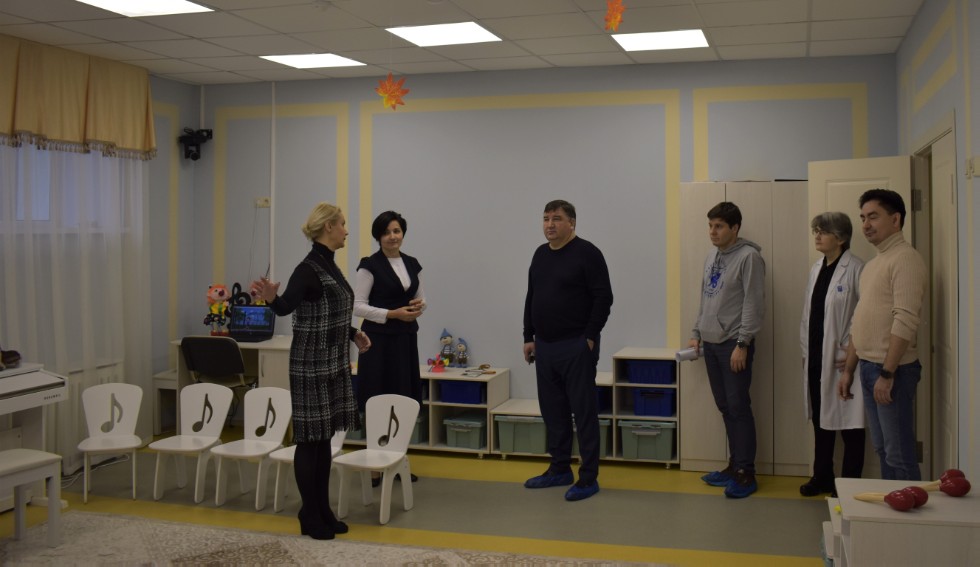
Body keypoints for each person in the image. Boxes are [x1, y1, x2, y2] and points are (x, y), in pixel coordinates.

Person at [251, 202, 371, 540]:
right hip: (310, 366)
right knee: (310, 441)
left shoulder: (329, 264)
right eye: (342, 224)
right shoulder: (307, 268)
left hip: (333, 362)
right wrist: (271, 298)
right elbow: (286, 306)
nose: (346, 230)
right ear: (328, 226)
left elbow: (331, 311)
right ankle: (309, 513)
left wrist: (353, 333)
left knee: (324, 442)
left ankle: (322, 510)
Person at [522, 199, 613, 502]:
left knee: (583, 413)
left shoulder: (588, 253)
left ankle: (588, 478)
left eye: (557, 218)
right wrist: (528, 336)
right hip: (545, 346)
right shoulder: (540, 254)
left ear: (572, 222)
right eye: (546, 218)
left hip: (576, 345)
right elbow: (532, 296)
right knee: (553, 412)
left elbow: (603, 298)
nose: (550, 224)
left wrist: (590, 336)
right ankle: (559, 468)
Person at [839, 189, 926, 481]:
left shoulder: (906, 259)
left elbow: (905, 320)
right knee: (883, 450)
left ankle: (910, 509)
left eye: (873, 217)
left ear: (896, 219)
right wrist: (848, 370)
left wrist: (887, 374)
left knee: (898, 454)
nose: (865, 225)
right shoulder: (874, 264)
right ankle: (893, 507)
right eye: (863, 218)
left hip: (893, 371)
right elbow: (860, 321)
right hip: (868, 367)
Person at [687, 201, 765, 498]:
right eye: (710, 226)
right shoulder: (711, 256)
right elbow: (705, 298)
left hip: (734, 343)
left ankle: (746, 473)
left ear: (735, 228)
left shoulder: (749, 258)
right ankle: (734, 466)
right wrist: (696, 333)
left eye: (719, 226)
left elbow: (753, 303)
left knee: (738, 407)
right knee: (725, 407)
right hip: (710, 343)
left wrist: (743, 343)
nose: (712, 231)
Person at [353, 210, 425, 486]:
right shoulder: (369, 265)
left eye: (396, 231)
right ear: (378, 236)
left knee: (403, 400)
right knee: (377, 401)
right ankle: (375, 467)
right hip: (378, 342)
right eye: (386, 232)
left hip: (405, 339)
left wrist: (418, 307)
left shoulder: (412, 263)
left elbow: (421, 299)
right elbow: (358, 306)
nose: (392, 236)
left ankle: (396, 462)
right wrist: (393, 314)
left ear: (403, 233)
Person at [798, 212, 864, 496]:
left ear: (841, 238)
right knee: (820, 421)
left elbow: (863, 315)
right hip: (815, 358)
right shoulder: (816, 268)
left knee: (851, 426)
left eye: (823, 231)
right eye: (816, 230)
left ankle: (849, 484)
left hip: (842, 361)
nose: (817, 236)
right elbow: (808, 314)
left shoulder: (856, 268)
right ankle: (822, 476)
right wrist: (805, 351)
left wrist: (852, 348)